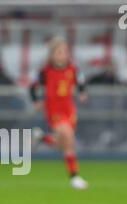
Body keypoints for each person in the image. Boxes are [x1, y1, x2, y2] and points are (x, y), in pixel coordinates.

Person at [30, 36, 89, 190]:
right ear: (52, 54)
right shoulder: (45, 71)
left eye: (64, 52)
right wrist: (36, 100)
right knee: (68, 138)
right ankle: (74, 177)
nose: (62, 55)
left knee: (65, 143)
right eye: (59, 52)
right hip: (54, 109)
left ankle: (42, 138)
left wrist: (82, 92)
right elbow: (33, 86)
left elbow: (81, 81)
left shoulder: (73, 69)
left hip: (69, 109)